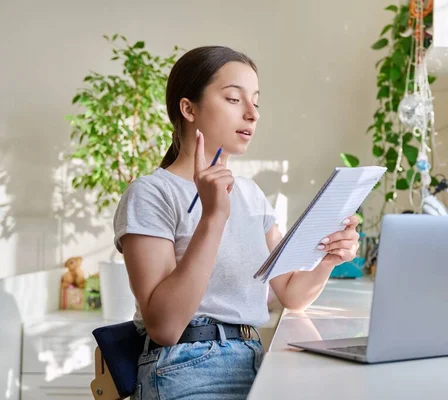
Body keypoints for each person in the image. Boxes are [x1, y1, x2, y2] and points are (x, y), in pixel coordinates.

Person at [113, 46, 360, 399]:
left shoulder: (251, 193)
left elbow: (290, 293)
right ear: (188, 109)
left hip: (255, 360)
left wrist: (328, 258)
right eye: (233, 98)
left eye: (256, 102)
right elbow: (165, 327)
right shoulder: (151, 193)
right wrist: (213, 217)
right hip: (184, 367)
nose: (252, 114)